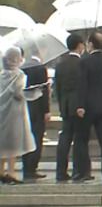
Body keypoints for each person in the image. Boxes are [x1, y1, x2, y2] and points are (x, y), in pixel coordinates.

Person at [74, 32, 102, 183]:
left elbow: (82, 85)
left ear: (90, 44)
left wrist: (80, 105)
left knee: (82, 139)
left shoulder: (84, 62)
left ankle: (83, 170)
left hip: (89, 105)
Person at [0, 47, 41, 185]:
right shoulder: (19, 75)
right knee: (13, 144)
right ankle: (11, 172)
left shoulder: (1, 74)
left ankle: (1, 171)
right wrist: (37, 93)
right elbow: (19, 94)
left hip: (1, 113)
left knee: (2, 143)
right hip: (15, 114)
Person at [54, 34, 86, 182]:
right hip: (78, 106)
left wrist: (62, 105)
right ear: (80, 46)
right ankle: (78, 171)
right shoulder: (82, 63)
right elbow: (83, 86)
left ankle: (61, 171)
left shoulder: (60, 64)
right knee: (79, 139)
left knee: (65, 138)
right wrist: (82, 105)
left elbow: (57, 88)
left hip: (65, 105)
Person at [21, 52, 50, 180]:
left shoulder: (21, 68)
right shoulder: (40, 68)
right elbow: (44, 91)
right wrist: (47, 110)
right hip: (38, 108)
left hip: (23, 107)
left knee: (25, 137)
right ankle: (32, 168)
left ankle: (25, 166)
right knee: (37, 137)